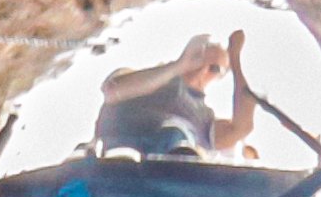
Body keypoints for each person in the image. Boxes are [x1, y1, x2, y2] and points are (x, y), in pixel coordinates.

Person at [93, 33, 246, 160]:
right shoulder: (152, 80)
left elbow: (240, 128)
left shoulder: (205, 117)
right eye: (200, 60)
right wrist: (180, 65)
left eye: (214, 68)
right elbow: (113, 91)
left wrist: (236, 61)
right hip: (123, 156)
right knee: (174, 132)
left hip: (176, 173)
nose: (203, 69)